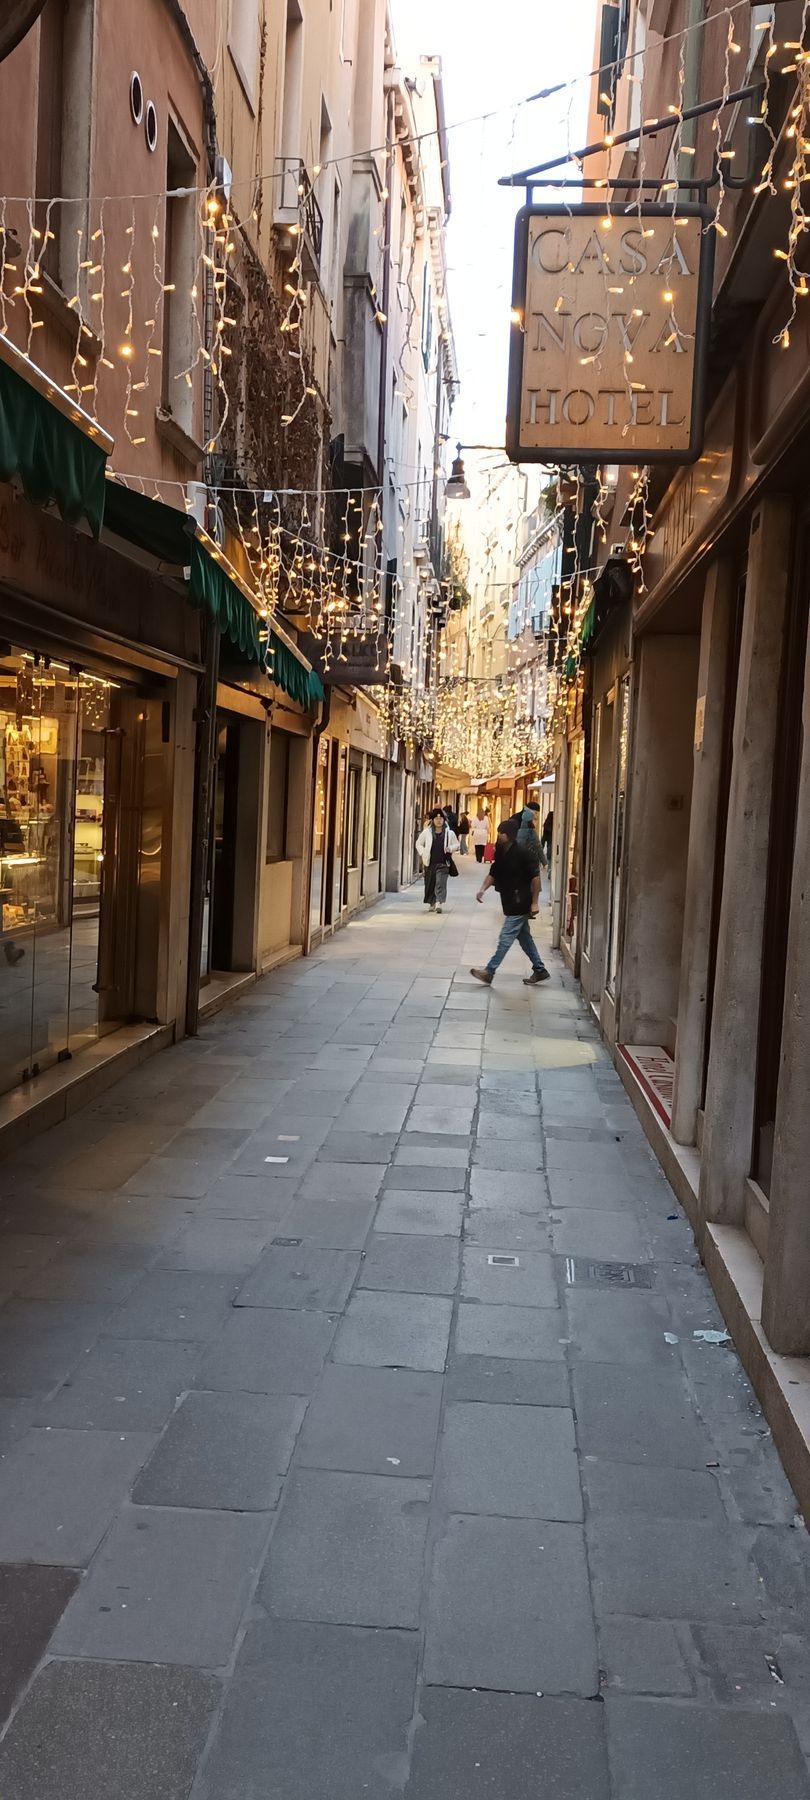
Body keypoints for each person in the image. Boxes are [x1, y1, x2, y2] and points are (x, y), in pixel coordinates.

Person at [470, 825, 550, 986]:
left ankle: (489, 971)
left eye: (503, 833)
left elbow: (535, 879)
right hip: (509, 901)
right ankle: (540, 969)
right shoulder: (501, 852)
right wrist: (482, 890)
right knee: (525, 938)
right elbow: (493, 873)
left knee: (505, 938)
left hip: (521, 902)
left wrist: (535, 902)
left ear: (510, 835)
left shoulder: (523, 853)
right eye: (499, 832)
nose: (499, 835)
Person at [500, 800, 543, 915]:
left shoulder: (518, 818)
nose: (536, 816)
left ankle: (523, 907)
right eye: (536, 813)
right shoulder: (520, 821)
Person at [416, 807, 459, 913]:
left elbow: (456, 845)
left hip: (443, 863)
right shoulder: (427, 832)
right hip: (430, 863)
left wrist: (450, 848)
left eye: (441, 819)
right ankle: (432, 902)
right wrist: (423, 852)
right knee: (430, 884)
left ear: (444, 820)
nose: (438, 821)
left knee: (440, 883)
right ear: (433, 820)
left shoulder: (449, 833)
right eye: (436, 819)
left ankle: (439, 902)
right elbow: (418, 844)